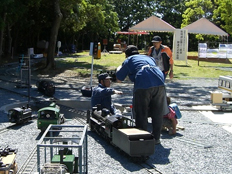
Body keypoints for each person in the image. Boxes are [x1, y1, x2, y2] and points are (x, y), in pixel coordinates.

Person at [116, 45, 169, 144]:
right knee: (157, 112)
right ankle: (156, 138)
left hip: (143, 82)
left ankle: (143, 139)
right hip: (159, 81)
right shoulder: (149, 58)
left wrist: (119, 68)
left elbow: (119, 79)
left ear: (126, 55)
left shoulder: (129, 60)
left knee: (141, 112)